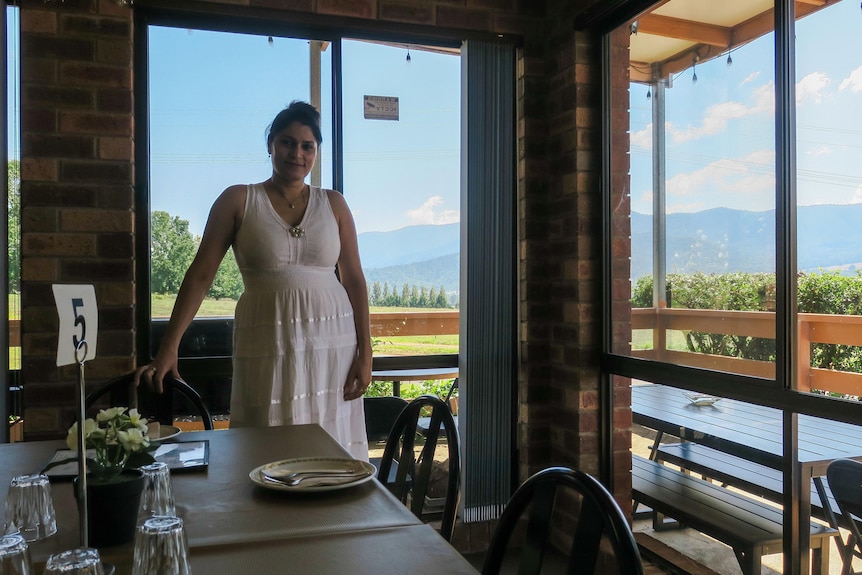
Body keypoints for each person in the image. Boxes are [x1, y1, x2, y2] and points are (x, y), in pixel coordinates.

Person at [136, 101, 371, 459]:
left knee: (331, 435)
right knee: (269, 429)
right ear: (270, 145)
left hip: (333, 344)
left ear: (317, 152)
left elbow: (354, 279)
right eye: (287, 142)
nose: (297, 153)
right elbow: (201, 274)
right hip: (268, 338)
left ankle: (331, 512)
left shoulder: (334, 204)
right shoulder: (239, 199)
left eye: (308, 146)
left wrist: (366, 351)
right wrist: (169, 347)